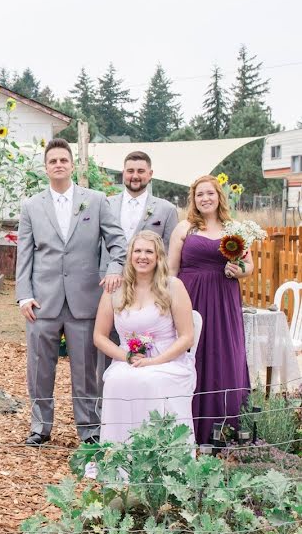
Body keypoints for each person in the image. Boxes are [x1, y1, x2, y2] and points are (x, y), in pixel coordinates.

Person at [15, 138, 127, 446]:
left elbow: (118, 242)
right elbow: (24, 254)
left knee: (86, 369)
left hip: (85, 300)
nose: (59, 165)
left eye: (64, 160)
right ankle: (40, 426)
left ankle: (89, 429)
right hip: (41, 301)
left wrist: (116, 268)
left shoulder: (96, 200)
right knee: (39, 367)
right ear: (46, 167)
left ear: (72, 165)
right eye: (53, 161)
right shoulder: (31, 206)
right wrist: (24, 294)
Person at [168, 175, 252, 444]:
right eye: (199, 194)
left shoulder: (234, 229)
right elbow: (171, 270)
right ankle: (185, 426)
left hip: (224, 299)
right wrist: (169, 304)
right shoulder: (184, 228)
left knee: (225, 354)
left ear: (219, 196)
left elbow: (249, 266)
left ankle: (224, 427)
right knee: (192, 354)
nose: (205, 198)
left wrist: (239, 271)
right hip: (190, 298)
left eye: (210, 193)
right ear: (193, 199)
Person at [94, 231, 196, 443]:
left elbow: (187, 337)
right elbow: (99, 336)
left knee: (149, 380)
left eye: (149, 251)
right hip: (128, 360)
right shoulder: (115, 288)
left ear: (158, 257)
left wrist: (154, 361)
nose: (143, 256)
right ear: (130, 255)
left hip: (167, 361)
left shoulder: (173, 286)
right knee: (114, 380)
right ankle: (119, 456)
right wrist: (127, 357)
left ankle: (158, 457)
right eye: (137, 251)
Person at [98, 151, 179, 387]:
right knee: (106, 347)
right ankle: (104, 405)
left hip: (149, 291)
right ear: (123, 173)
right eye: (130, 171)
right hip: (110, 287)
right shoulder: (105, 204)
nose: (135, 176)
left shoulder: (165, 209)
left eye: (141, 171)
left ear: (150, 174)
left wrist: (165, 290)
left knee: (147, 348)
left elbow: (171, 256)